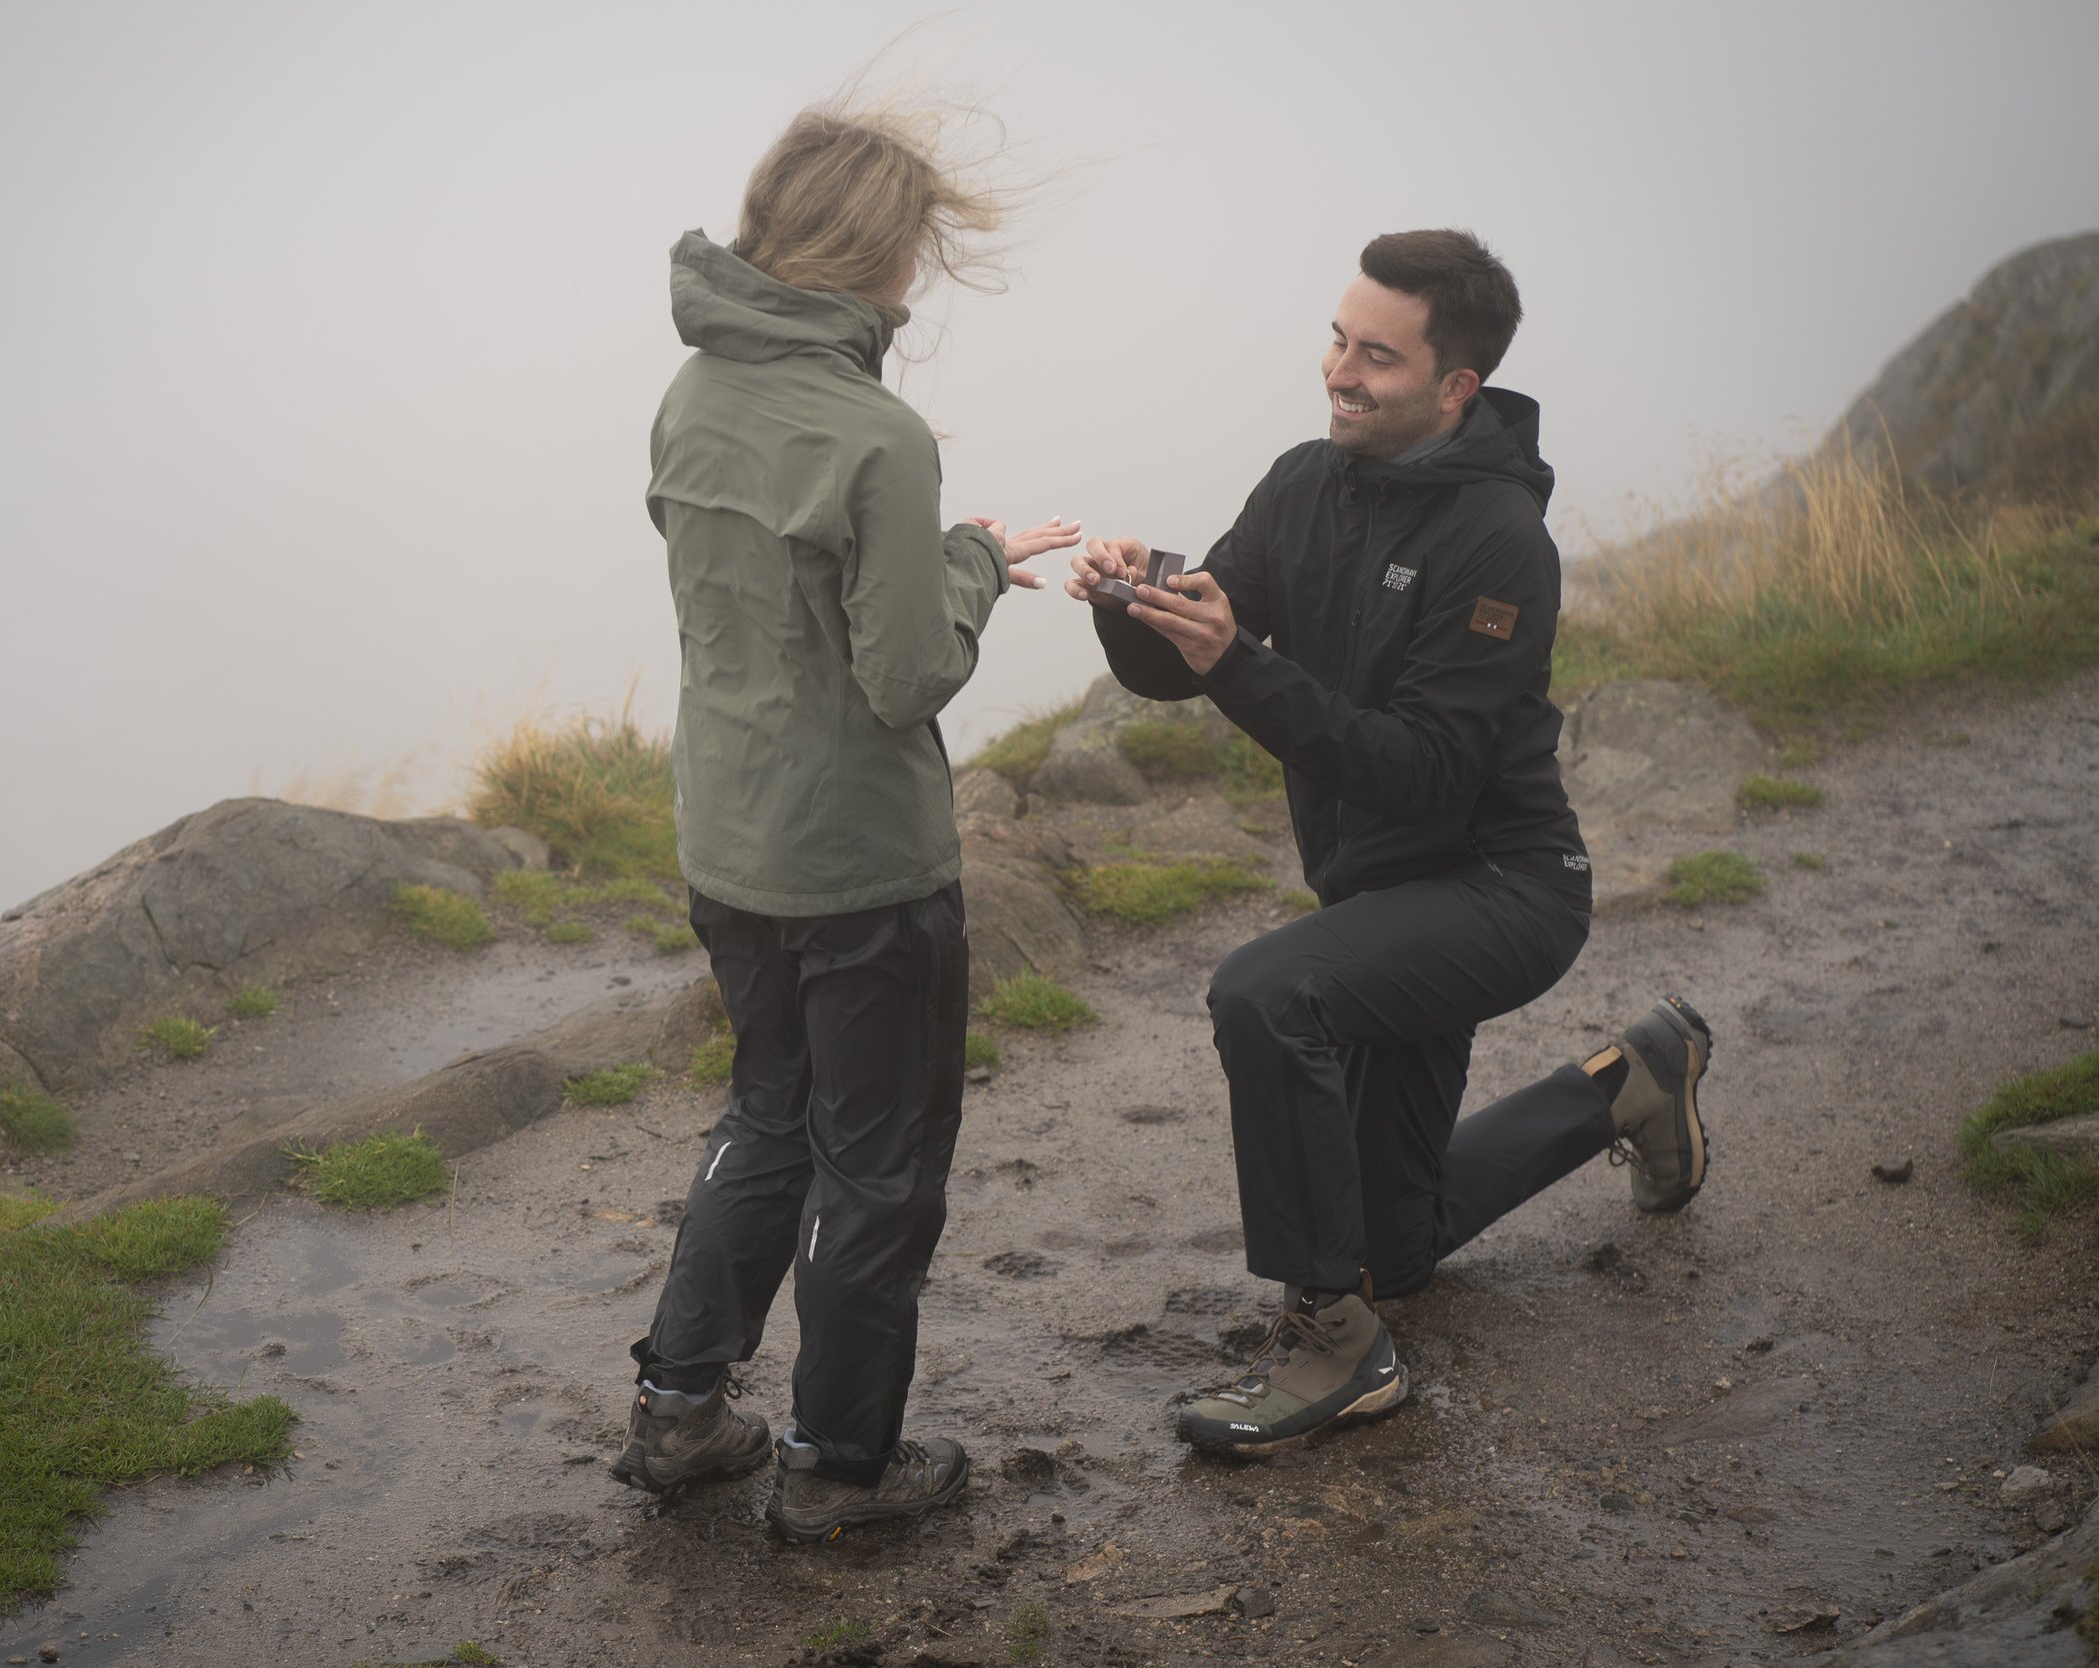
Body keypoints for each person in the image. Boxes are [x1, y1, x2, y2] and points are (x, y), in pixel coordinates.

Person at [1065, 229, 1714, 1457]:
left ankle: (1332, 1344)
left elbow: (1420, 775)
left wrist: (1237, 664)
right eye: (1336, 339)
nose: (1338, 371)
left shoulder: (1499, 541)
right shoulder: (1304, 484)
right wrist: (1134, 602)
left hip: (1502, 890)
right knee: (1387, 1248)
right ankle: (1633, 1080)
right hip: (1383, 899)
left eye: (1376, 356)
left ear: (1454, 386)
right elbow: (1188, 657)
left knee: (1265, 993)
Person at [609, 100, 1079, 1538]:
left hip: (729, 843)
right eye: (913, 246)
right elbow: (907, 675)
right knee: (876, 1170)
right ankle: (836, 1469)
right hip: (863, 866)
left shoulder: (691, 395)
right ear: (878, 252)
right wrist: (974, 561)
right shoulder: (878, 436)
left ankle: (679, 1412)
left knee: (766, 1116)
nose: (917, 273)